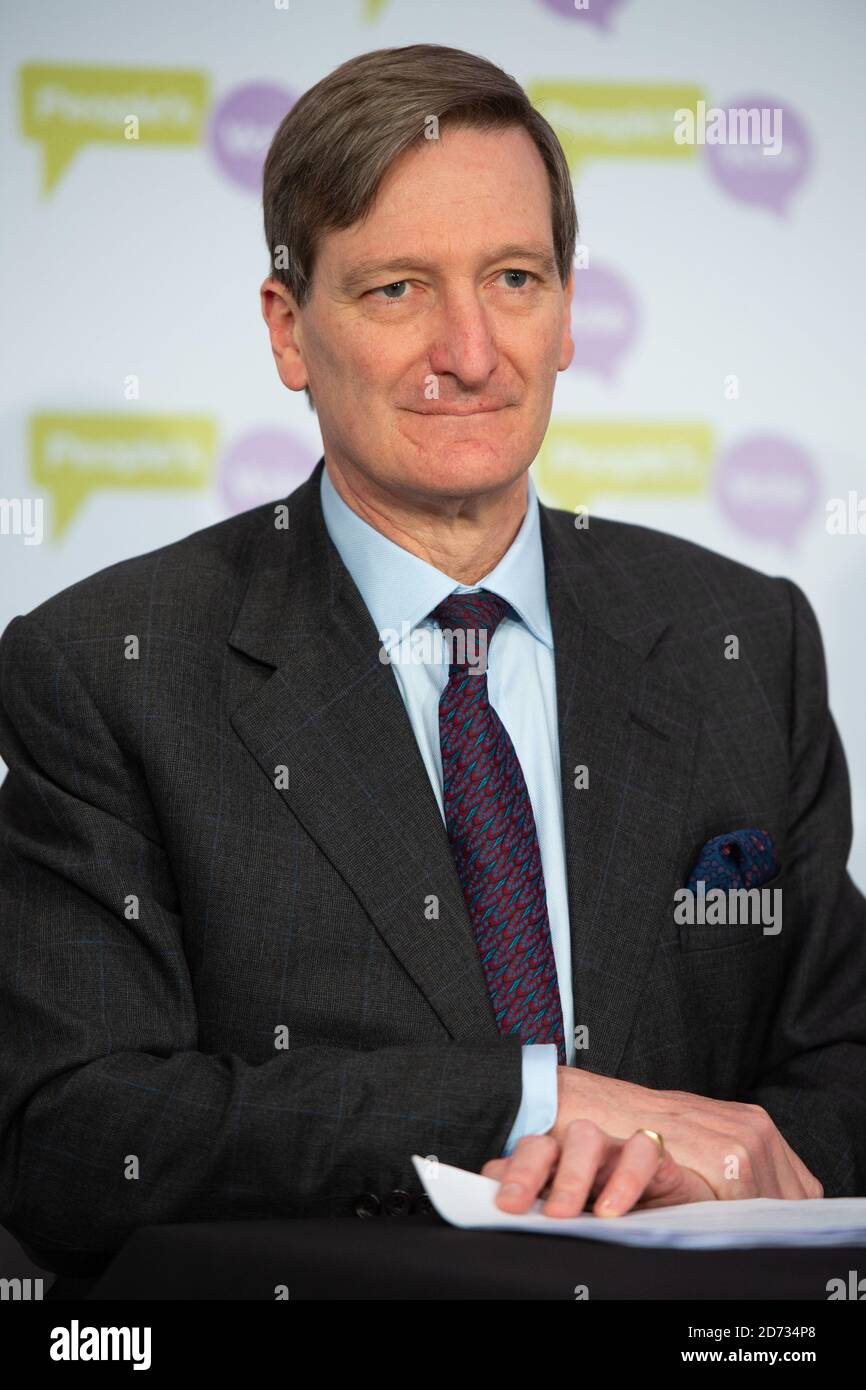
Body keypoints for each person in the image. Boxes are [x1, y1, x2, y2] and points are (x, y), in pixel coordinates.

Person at [1, 43, 863, 1277]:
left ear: (567, 311)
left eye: (512, 277)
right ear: (289, 331)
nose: (468, 349)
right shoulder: (109, 671)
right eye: (398, 289)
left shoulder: (742, 640)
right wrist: (522, 1101)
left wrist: (737, 1157)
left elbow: (837, 1058)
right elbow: (70, 1134)